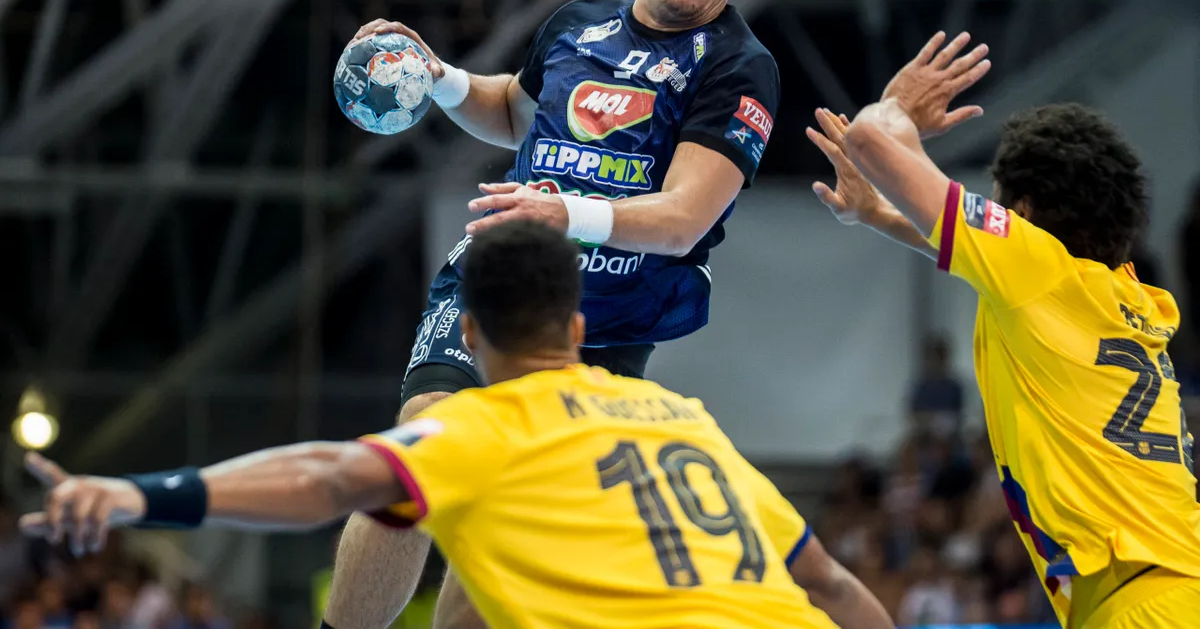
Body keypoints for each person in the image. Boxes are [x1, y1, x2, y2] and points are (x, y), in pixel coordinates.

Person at [19, 222, 893, 629]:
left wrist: (135, 496)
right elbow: (833, 585)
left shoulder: (487, 428)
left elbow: (324, 478)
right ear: (578, 329)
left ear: (468, 335)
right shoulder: (684, 420)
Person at [337, 0, 783, 628]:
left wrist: (565, 213)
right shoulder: (577, 24)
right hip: (500, 279)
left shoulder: (740, 66)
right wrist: (439, 78)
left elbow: (683, 217)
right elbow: (517, 114)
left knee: (518, 511)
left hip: (606, 325)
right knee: (423, 445)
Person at [805, 29, 1200, 628]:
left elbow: (869, 138)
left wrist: (899, 107)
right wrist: (876, 213)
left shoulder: (1035, 267)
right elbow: (973, 252)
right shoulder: (1124, 291)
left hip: (1142, 604)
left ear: (1025, 213)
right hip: (1168, 584)